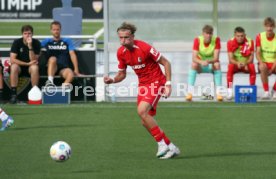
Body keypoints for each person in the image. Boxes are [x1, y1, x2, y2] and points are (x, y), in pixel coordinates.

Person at [104, 22, 180, 159]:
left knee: (142, 111)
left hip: (157, 82)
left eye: (126, 37)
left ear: (132, 37)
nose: (123, 40)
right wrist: (112, 80)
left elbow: (166, 63)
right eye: (120, 38)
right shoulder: (121, 52)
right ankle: (170, 146)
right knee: (145, 121)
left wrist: (168, 84)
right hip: (143, 86)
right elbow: (122, 74)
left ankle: (161, 144)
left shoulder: (145, 47)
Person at [186, 25, 223, 101]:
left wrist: (208, 61)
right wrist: (201, 62)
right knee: (194, 64)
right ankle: (189, 93)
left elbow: (216, 58)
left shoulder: (216, 40)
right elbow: (194, 58)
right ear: (203, 34)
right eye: (207, 33)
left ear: (212, 34)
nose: (208, 35)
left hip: (211, 65)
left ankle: (219, 93)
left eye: (210, 33)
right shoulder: (198, 40)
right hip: (200, 66)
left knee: (217, 64)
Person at [41, 21, 81, 86]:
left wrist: (76, 69)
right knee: (53, 59)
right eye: (54, 30)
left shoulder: (67, 41)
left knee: (70, 74)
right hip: (51, 67)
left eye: (57, 29)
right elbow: (36, 48)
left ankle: (61, 90)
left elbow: (72, 54)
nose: (56, 31)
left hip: (63, 68)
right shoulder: (47, 41)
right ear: (51, 30)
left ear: (60, 30)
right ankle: (50, 83)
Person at [10, 25, 41, 104]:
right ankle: (13, 95)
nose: (27, 35)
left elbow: (33, 60)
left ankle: (34, 94)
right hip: (20, 67)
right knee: (13, 67)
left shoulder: (36, 43)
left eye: (29, 33)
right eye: (25, 33)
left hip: (30, 67)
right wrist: (27, 64)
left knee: (35, 68)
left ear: (32, 34)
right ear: (22, 34)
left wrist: (30, 46)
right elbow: (12, 59)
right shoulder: (17, 42)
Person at [226, 27, 256, 100]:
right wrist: (237, 63)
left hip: (246, 64)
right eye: (238, 36)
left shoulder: (250, 41)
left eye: (242, 36)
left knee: (252, 66)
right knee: (230, 67)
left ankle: (252, 90)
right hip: (236, 65)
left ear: (245, 35)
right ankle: (229, 91)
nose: (240, 38)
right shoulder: (230, 42)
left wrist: (245, 63)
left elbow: (251, 58)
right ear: (235, 35)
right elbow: (230, 59)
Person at [256, 17, 276, 99]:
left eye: (271, 26)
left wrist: (272, 69)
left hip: (274, 62)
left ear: (274, 27)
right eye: (267, 26)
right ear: (264, 26)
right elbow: (257, 53)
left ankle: (274, 90)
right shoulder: (260, 36)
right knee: (262, 67)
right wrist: (261, 62)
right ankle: (266, 91)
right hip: (264, 62)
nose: (269, 28)